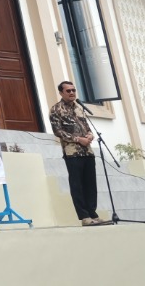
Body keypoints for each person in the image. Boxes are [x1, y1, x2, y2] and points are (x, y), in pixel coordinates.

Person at [50, 81, 100, 226]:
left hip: (87, 152)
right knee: (77, 185)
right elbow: (58, 131)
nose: (72, 93)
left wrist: (90, 136)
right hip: (72, 152)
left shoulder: (79, 108)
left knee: (91, 184)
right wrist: (78, 139)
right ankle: (84, 216)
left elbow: (87, 126)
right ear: (61, 93)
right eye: (68, 91)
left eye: (73, 90)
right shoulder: (56, 109)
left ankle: (93, 214)